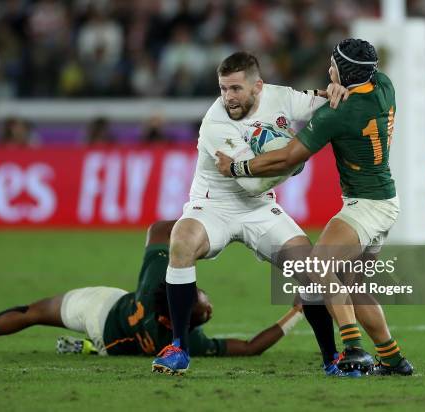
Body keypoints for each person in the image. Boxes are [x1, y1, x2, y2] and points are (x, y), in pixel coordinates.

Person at [215, 39, 414, 376]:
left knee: (319, 265)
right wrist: (331, 89)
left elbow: (289, 157)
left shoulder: (336, 115)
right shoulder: (384, 86)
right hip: (386, 201)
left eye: (334, 64)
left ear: (345, 71)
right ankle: (393, 359)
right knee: (353, 287)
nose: (329, 68)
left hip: (365, 206)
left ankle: (352, 348)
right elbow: (353, 89)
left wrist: (238, 168)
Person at [152, 51, 356, 377]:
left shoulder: (280, 97)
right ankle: (179, 347)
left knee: (313, 269)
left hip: (261, 208)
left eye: (235, 89)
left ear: (257, 86)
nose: (228, 97)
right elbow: (251, 182)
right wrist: (294, 160)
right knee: (181, 241)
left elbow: (322, 104)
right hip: (213, 205)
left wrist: (336, 92)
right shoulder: (215, 123)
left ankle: (332, 358)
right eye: (223, 89)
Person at [0, 221, 304, 359]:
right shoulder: (190, 343)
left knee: (30, 314)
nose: (208, 302)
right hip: (115, 344)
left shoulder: (158, 281)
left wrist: (205, 225)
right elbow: (252, 346)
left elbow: (158, 228)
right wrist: (296, 313)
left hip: (99, 310)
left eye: (202, 301)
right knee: (110, 348)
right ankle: (88, 348)